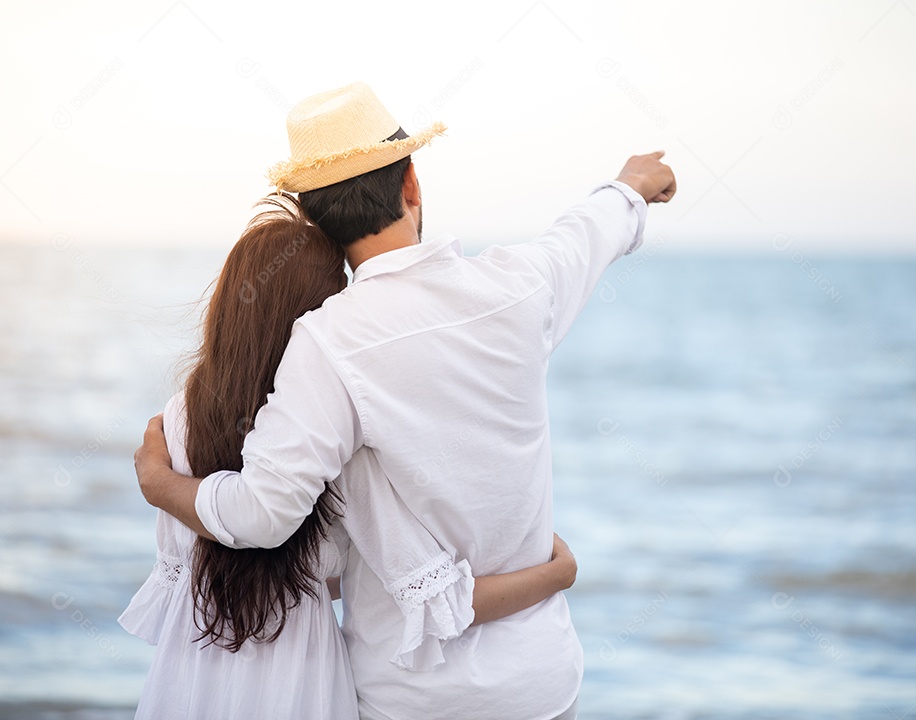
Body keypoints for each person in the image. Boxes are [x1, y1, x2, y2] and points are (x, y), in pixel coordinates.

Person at [135, 80, 676, 720]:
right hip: (543, 683)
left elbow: (263, 513)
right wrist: (631, 185)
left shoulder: (327, 341)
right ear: (411, 185)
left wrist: (159, 484)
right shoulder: (520, 285)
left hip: (411, 697)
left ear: (315, 221)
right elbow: (588, 233)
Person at [121, 196, 579, 719]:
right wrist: (556, 574)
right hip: (298, 680)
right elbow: (437, 601)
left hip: (191, 671)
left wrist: (158, 482)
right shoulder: (341, 446)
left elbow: (192, 568)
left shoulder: (179, 418)